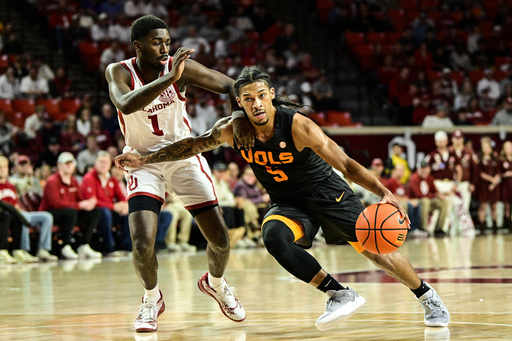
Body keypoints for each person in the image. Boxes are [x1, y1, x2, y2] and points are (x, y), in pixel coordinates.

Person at [116, 66, 450, 331]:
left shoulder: (298, 126)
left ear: (272, 95)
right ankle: (338, 293)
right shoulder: (234, 130)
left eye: (261, 96)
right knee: (273, 235)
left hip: (328, 195)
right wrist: (144, 161)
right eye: (248, 99)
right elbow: (191, 145)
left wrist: (385, 192)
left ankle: (427, 295)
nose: (256, 104)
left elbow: (346, 164)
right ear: (240, 103)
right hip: (288, 203)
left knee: (379, 252)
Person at [105, 15, 252, 332]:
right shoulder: (119, 71)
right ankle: (151, 299)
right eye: (157, 41)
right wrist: (170, 78)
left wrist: (238, 115)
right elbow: (126, 103)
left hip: (184, 157)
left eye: (167, 42)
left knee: (221, 242)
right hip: (141, 161)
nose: (164, 47)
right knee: (142, 244)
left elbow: (232, 86)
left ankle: (216, 283)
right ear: (138, 45)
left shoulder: (179, 67)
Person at [39, 152, 103, 259]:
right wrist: (79, 205)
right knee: (70, 212)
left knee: (95, 212)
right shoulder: (52, 181)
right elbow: (56, 203)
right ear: (59, 165)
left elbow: (80, 200)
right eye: (66, 163)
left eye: (71, 163)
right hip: (51, 213)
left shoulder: (73, 181)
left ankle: (84, 245)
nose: (69, 166)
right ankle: (65, 246)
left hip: (69, 213)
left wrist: (88, 203)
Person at [9, 155, 58, 261]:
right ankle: (24, 251)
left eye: (26, 164)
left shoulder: (35, 181)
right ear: (15, 167)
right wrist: (27, 180)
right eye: (21, 164)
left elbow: (39, 197)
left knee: (47, 217)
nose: (24, 167)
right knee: (23, 217)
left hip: (32, 212)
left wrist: (31, 179)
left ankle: (43, 250)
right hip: (19, 212)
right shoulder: (11, 180)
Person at [81, 151, 128, 254]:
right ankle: (109, 246)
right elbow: (92, 201)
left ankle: (126, 244)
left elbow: (121, 196)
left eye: (106, 162)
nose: (103, 164)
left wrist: (124, 205)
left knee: (127, 213)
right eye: (101, 162)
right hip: (95, 212)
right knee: (105, 213)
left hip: (110, 210)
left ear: (110, 165)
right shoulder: (89, 178)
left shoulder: (112, 179)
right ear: (95, 163)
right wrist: (113, 206)